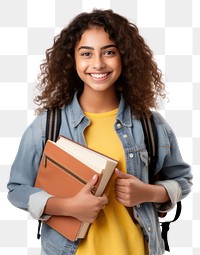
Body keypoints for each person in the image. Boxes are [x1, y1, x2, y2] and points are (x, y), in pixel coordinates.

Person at [7, 9, 192, 255]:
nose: (97, 63)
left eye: (109, 52)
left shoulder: (152, 124)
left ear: (124, 57)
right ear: (72, 60)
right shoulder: (46, 126)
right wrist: (67, 206)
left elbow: (182, 181)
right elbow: (17, 189)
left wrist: (148, 192)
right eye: (86, 53)